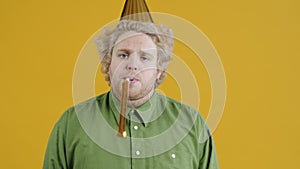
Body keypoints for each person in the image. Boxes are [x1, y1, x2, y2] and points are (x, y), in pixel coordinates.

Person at [43, 20, 219, 169]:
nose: (132, 65)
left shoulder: (191, 125)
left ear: (158, 70)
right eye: (123, 55)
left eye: (144, 58)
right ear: (108, 64)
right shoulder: (72, 123)